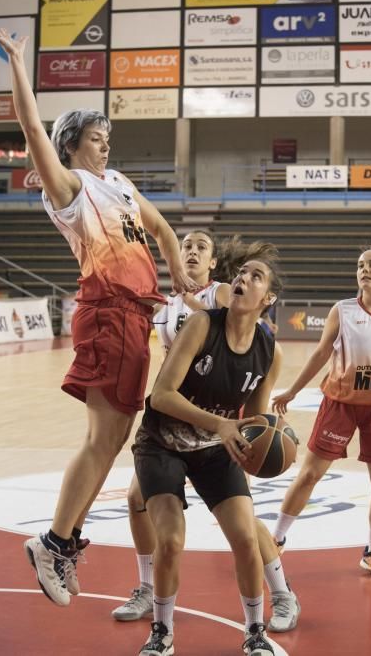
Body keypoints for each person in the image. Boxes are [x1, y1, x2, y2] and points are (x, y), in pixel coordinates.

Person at [0, 27, 197, 607]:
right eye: (97, 138)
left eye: (107, 138)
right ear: (73, 143)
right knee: (103, 437)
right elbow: (31, 129)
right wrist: (19, 65)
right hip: (106, 314)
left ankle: (69, 539)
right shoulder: (70, 187)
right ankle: (51, 542)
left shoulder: (121, 184)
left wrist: (176, 267)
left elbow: (161, 227)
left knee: (115, 436)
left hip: (136, 319)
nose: (106, 146)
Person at [113, 233, 299, 633]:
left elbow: (256, 417)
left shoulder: (267, 347)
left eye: (256, 276)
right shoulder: (189, 317)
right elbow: (161, 393)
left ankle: (280, 596)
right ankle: (153, 600)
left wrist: (261, 442)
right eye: (243, 272)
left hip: (213, 441)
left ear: (268, 297)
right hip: (167, 434)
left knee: (246, 528)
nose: (244, 278)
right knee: (144, 509)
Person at [272, 248, 371, 583]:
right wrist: (293, 390)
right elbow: (320, 353)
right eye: (360, 265)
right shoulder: (342, 311)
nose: (364, 269)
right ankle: (276, 540)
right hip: (340, 404)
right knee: (309, 475)